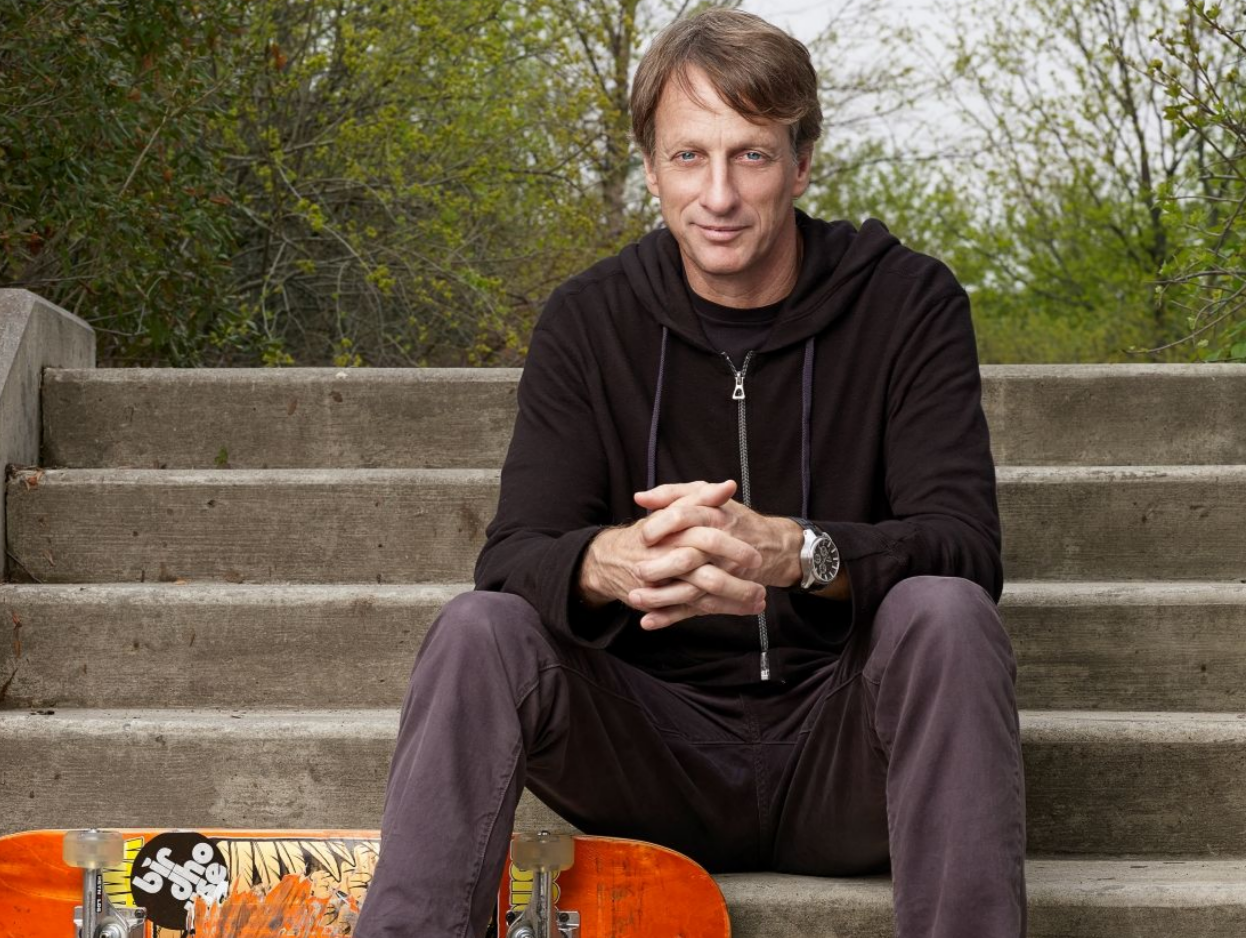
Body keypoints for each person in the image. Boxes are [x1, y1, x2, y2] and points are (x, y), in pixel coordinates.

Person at [352, 9, 1025, 937]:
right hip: (649, 754)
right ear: (649, 166)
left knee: (947, 612)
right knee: (481, 631)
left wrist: (799, 552)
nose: (718, 195)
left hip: (847, 751)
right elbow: (512, 558)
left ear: (802, 162)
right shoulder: (588, 323)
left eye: (750, 156)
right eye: (687, 157)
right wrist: (607, 563)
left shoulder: (906, 302)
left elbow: (965, 547)